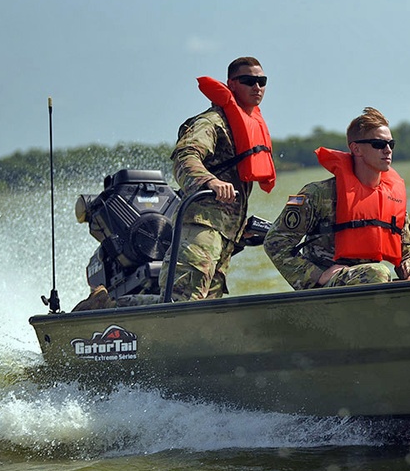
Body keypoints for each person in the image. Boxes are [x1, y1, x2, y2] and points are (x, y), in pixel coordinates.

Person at [72, 56, 275, 312]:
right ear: (231, 84)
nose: (257, 87)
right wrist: (209, 181)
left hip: (226, 234)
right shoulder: (212, 122)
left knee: (207, 309)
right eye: (248, 81)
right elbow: (185, 156)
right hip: (200, 225)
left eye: (262, 81)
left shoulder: (246, 125)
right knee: (182, 304)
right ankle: (106, 305)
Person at [264, 107, 410, 289]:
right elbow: (275, 242)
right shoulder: (317, 194)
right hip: (328, 288)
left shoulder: (392, 199)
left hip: (371, 285)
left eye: (391, 144)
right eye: (378, 144)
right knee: (378, 272)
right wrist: (318, 275)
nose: (387, 150)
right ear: (356, 149)